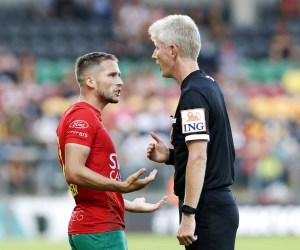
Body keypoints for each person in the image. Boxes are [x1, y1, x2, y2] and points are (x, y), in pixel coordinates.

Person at [56, 52, 167, 250]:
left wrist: (127, 203)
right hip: (100, 230)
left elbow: (92, 187)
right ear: (90, 81)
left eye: (120, 75)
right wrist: (121, 186)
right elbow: (73, 171)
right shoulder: (83, 116)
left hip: (94, 227)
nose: (120, 82)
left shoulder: (86, 116)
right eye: (112, 75)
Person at [146, 15, 239, 250]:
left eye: (157, 48)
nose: (154, 55)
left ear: (173, 50)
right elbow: (211, 151)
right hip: (215, 206)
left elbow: (199, 157)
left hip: (206, 209)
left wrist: (189, 215)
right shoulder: (209, 85)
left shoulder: (193, 95)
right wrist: (170, 156)